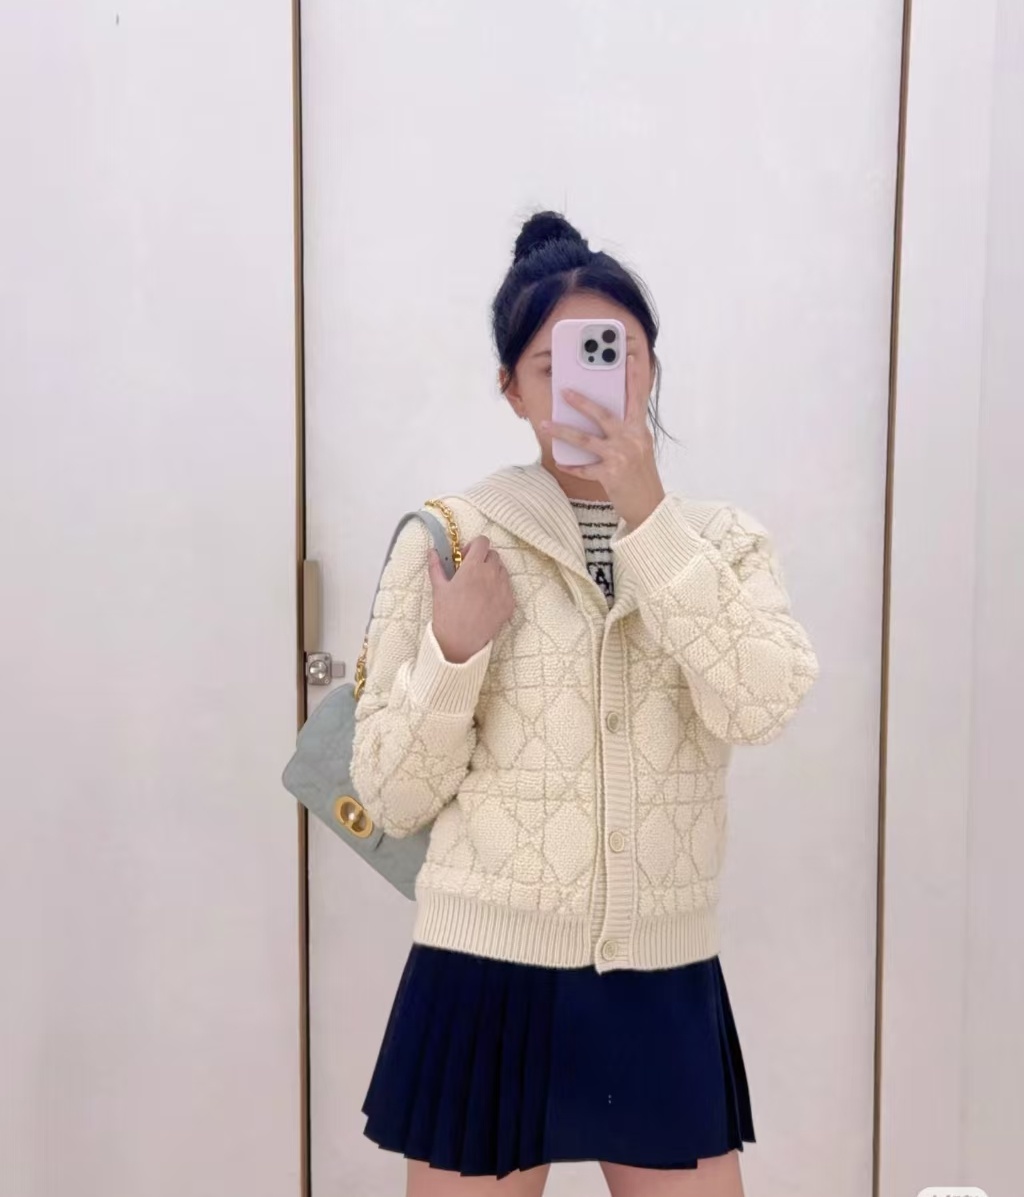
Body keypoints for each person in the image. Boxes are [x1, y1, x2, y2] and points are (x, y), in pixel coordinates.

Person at [351, 211, 819, 1197]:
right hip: (483, 973)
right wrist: (450, 652)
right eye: (549, 365)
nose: (589, 384)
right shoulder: (453, 539)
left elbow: (763, 705)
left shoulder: (723, 543)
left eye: (615, 354)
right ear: (512, 389)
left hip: (661, 972)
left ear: (648, 368)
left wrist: (649, 517)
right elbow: (389, 796)